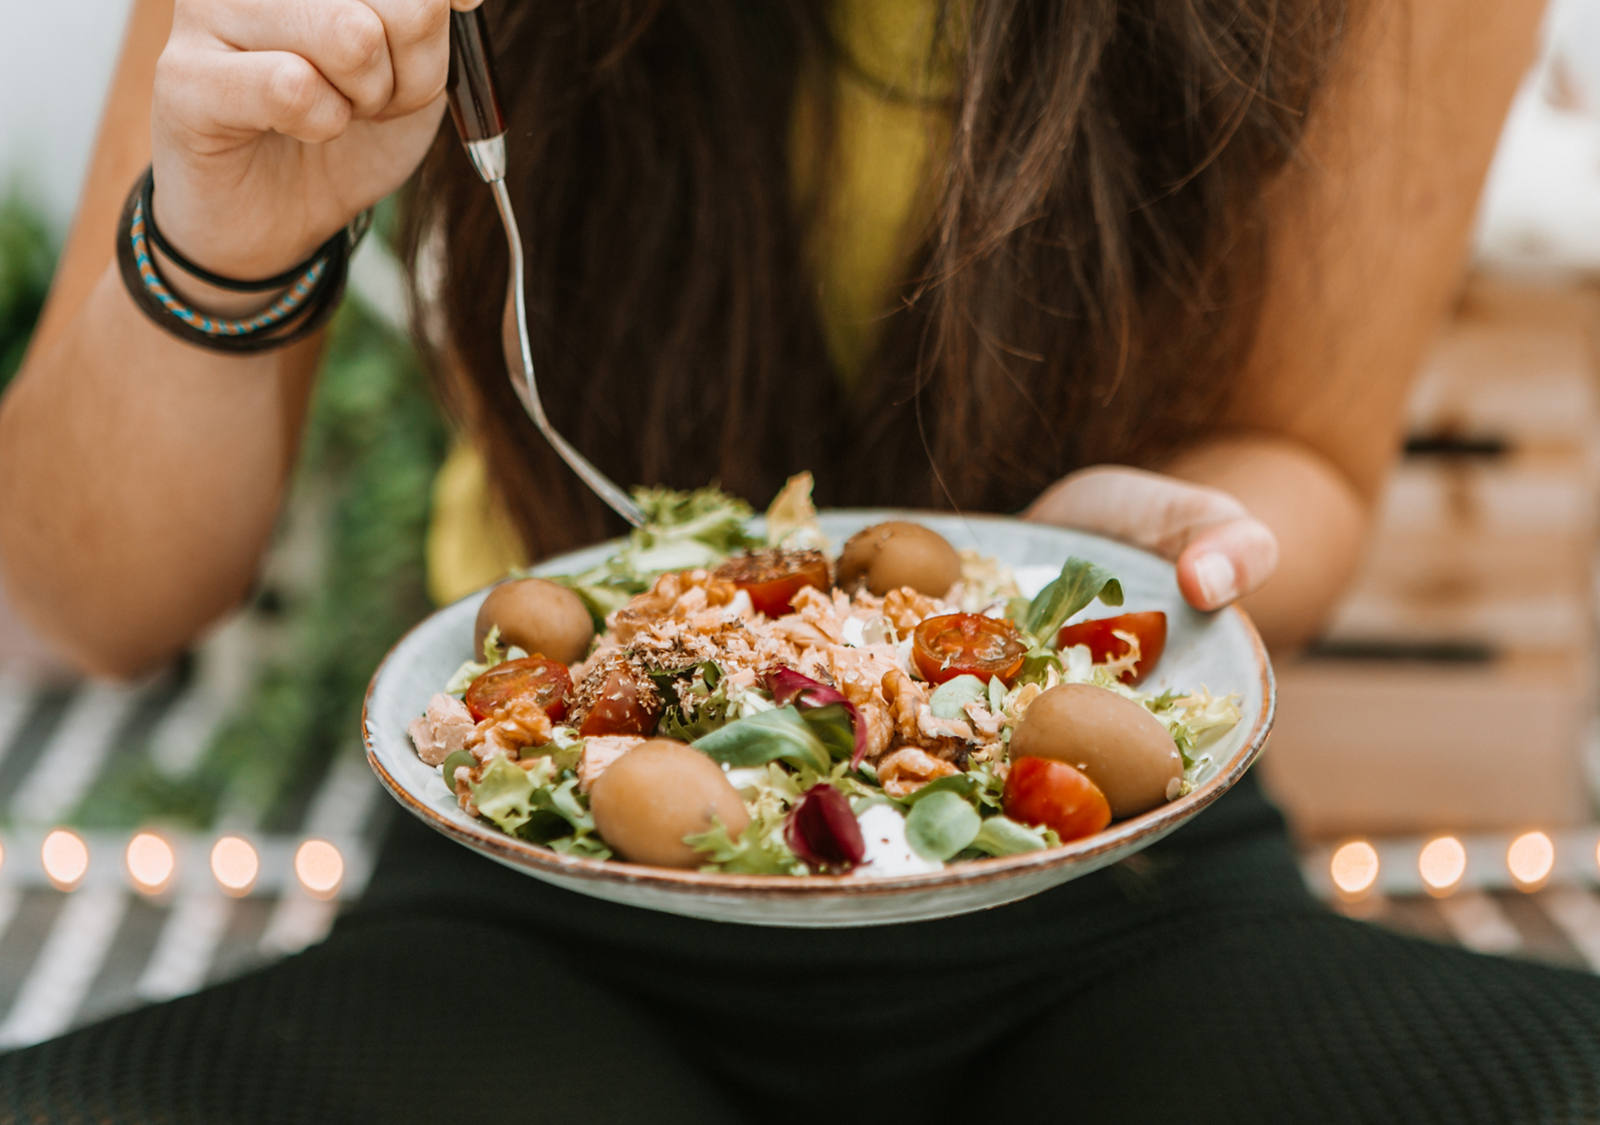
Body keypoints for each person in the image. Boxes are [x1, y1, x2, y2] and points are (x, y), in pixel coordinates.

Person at [2, 0, 1593, 1121]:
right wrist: (224, 234)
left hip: (1117, 885)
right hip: (536, 899)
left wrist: (1139, 559)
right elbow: (94, 596)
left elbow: (1298, 462)